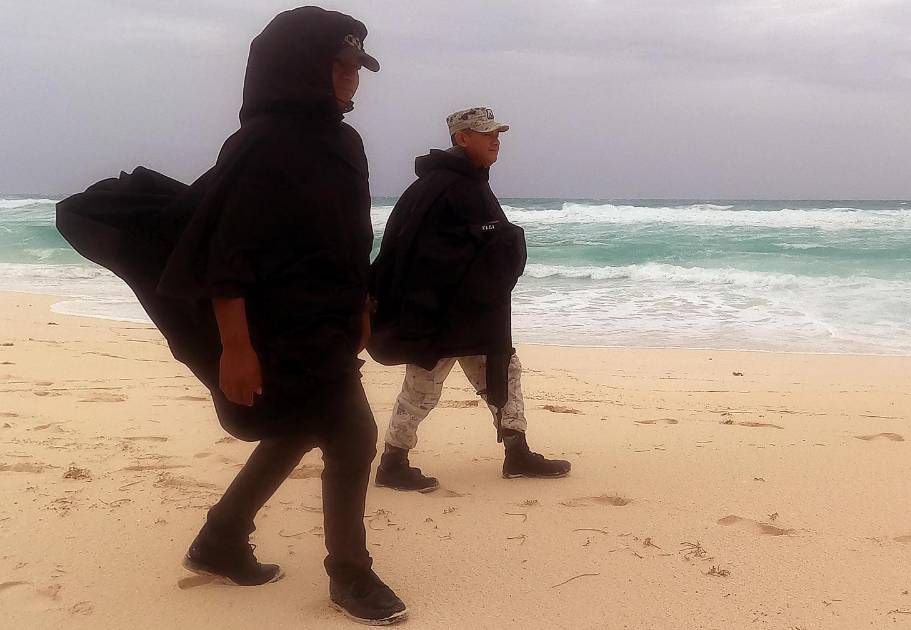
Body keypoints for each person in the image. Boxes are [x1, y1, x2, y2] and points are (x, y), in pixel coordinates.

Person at [56, 7, 405, 625]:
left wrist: (361, 304)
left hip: (327, 321)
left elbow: (350, 236)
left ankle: (221, 539)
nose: (352, 77)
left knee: (299, 427)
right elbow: (226, 251)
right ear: (297, 68)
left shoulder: (345, 142)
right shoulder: (261, 144)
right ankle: (349, 573)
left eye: (356, 66)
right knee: (353, 436)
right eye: (340, 65)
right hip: (275, 326)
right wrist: (235, 348)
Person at [368, 107, 571, 492]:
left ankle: (516, 452)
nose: (496, 140)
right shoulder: (448, 187)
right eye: (486, 133)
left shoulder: (462, 182)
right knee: (424, 385)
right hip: (442, 314)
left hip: (468, 313)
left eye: (497, 133)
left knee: (502, 373)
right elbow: (420, 254)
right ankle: (392, 462)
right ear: (462, 138)